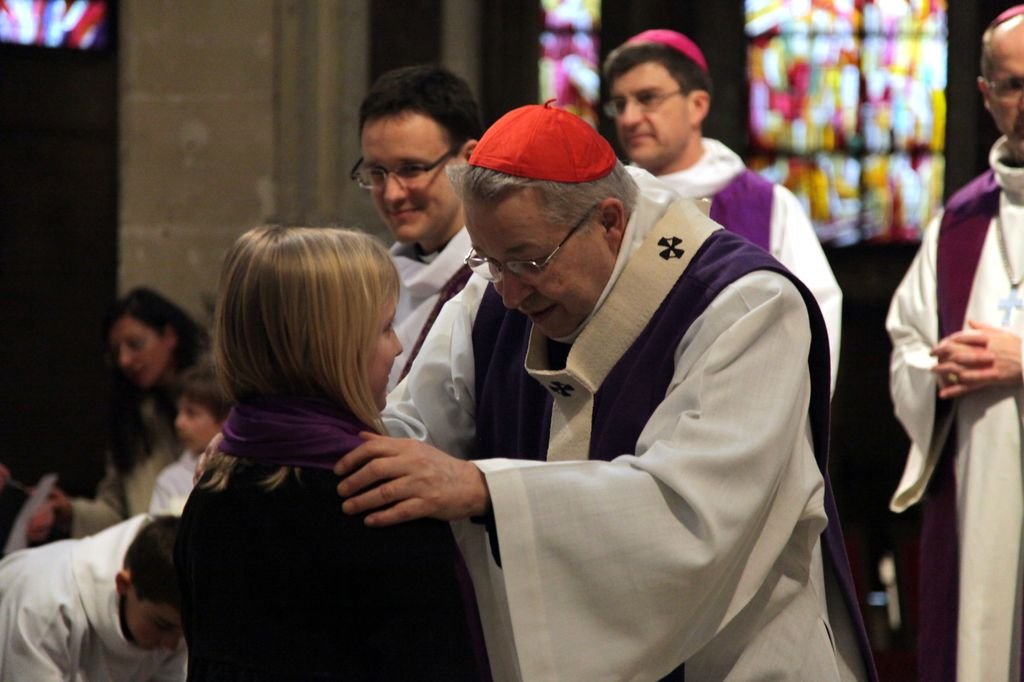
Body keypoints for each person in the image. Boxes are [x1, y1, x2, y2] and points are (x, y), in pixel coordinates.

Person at [334, 103, 876, 680]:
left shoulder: (745, 306)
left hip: (730, 659)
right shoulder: (491, 291)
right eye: (490, 261)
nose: (511, 292)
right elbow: (412, 431)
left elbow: (692, 513)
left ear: (610, 221)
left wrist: (486, 489)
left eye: (528, 261)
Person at [175, 226, 485, 680]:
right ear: (332, 346)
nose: (399, 348)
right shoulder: (378, 497)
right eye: (384, 328)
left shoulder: (216, 480)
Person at [886, 7, 1024, 680]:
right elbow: (906, 346)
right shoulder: (958, 222)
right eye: (1013, 84)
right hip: (979, 496)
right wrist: (936, 370)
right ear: (985, 94)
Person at [602, 29, 844, 391]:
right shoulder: (607, 206)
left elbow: (814, 318)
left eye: (647, 99)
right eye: (620, 104)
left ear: (697, 105)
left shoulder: (770, 206)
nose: (629, 118)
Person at [27, 288, 208, 541]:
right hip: (148, 552)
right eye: (116, 352)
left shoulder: (219, 400)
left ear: (169, 336)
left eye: (135, 344)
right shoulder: (133, 418)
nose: (124, 360)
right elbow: (117, 511)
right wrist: (70, 512)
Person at [352, 64, 484, 387]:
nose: (393, 194)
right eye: (377, 173)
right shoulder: (370, 283)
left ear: (468, 159)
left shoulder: (496, 285)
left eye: (411, 169)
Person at [0, 514, 185, 681]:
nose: (172, 645)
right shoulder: (47, 605)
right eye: (162, 626)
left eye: (184, 632)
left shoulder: (174, 620)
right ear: (123, 584)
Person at [148, 358, 231, 516]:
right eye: (179, 412)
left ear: (225, 420)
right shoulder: (170, 480)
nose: (179, 422)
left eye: (191, 413)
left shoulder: (241, 471)